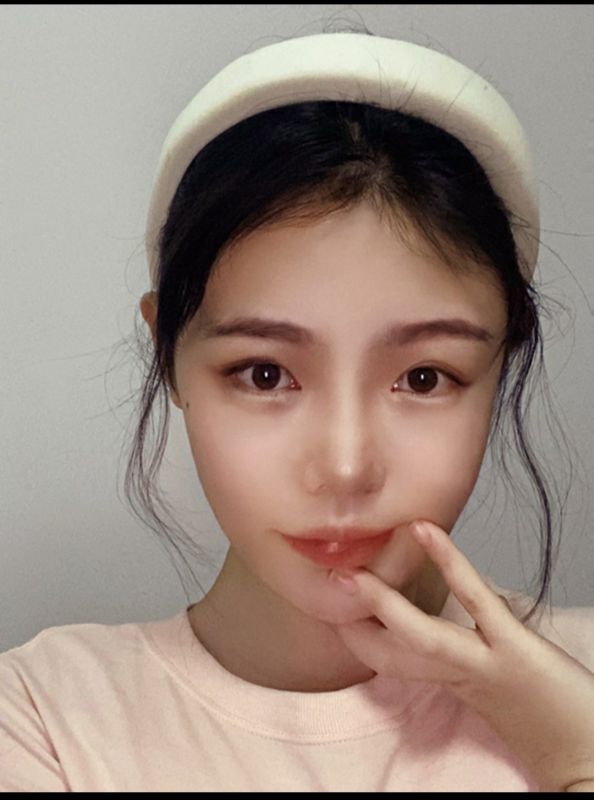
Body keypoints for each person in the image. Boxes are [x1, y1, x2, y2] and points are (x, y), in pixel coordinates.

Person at [1, 28, 593, 793]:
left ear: (499, 364)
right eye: (266, 373)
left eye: (423, 378)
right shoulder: (45, 720)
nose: (345, 466)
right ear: (167, 353)